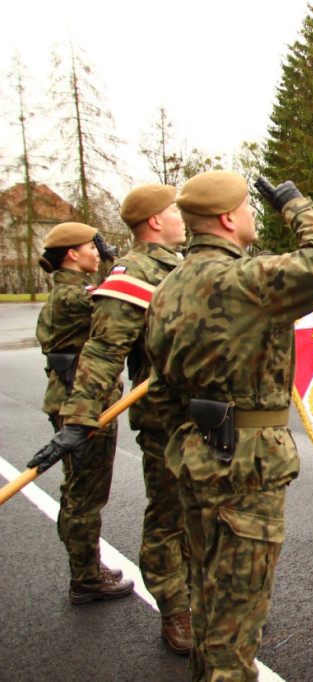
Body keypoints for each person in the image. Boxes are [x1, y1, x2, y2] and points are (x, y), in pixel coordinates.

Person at [145, 170, 313, 680]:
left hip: (197, 458)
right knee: (235, 633)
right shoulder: (247, 279)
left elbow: (161, 394)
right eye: (248, 208)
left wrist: (186, 446)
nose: (252, 216)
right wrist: (293, 204)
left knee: (210, 612)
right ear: (227, 218)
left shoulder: (167, 288)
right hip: (247, 468)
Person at [41, 185, 193, 653]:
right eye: (174, 211)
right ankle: (174, 611)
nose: (182, 217)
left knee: (199, 516)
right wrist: (79, 416)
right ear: (154, 221)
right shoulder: (131, 274)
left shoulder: (179, 264)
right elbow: (105, 347)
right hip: (155, 414)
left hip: (199, 414)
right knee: (163, 516)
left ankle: (204, 602)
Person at [28, 222, 133, 605]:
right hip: (84, 406)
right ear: (72, 253)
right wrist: (116, 262)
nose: (97, 252)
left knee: (79, 490)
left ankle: (87, 567)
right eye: (93, 247)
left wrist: (109, 260)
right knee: (85, 496)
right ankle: (86, 578)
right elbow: (122, 294)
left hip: (71, 400)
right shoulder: (73, 296)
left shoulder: (65, 294)